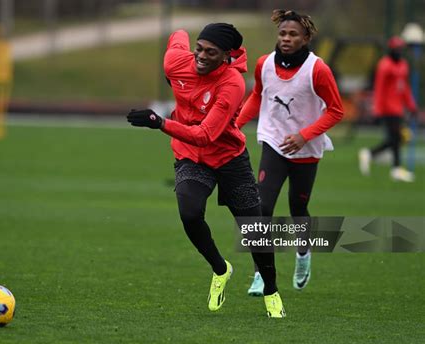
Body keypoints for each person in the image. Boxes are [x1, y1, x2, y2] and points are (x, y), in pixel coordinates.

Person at [127, 23, 285, 317]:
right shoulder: (176, 61)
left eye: (210, 52)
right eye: (198, 48)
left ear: (226, 56)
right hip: (191, 156)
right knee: (189, 212)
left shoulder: (233, 84)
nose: (200, 56)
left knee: (253, 230)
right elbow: (177, 35)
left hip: (228, 158)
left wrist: (160, 122)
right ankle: (221, 269)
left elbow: (205, 135)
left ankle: (271, 291)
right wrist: (182, 35)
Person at [236, 10, 343, 295]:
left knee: (298, 207)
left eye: (293, 34)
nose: (286, 38)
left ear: (306, 38)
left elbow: (336, 111)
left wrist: (304, 136)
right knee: (262, 209)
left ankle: (303, 253)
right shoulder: (264, 64)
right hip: (273, 142)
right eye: (283, 33)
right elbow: (258, 95)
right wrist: (235, 125)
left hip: (306, 149)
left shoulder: (318, 70)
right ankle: (260, 273)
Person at [358, 36, 417, 182]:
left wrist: (411, 105)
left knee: (396, 138)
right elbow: (379, 88)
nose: (398, 51)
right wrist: (377, 108)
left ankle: (370, 154)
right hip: (387, 108)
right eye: (396, 49)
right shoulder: (385, 65)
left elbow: (405, 88)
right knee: (397, 137)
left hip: (398, 107)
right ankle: (395, 168)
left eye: (400, 49)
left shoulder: (403, 65)